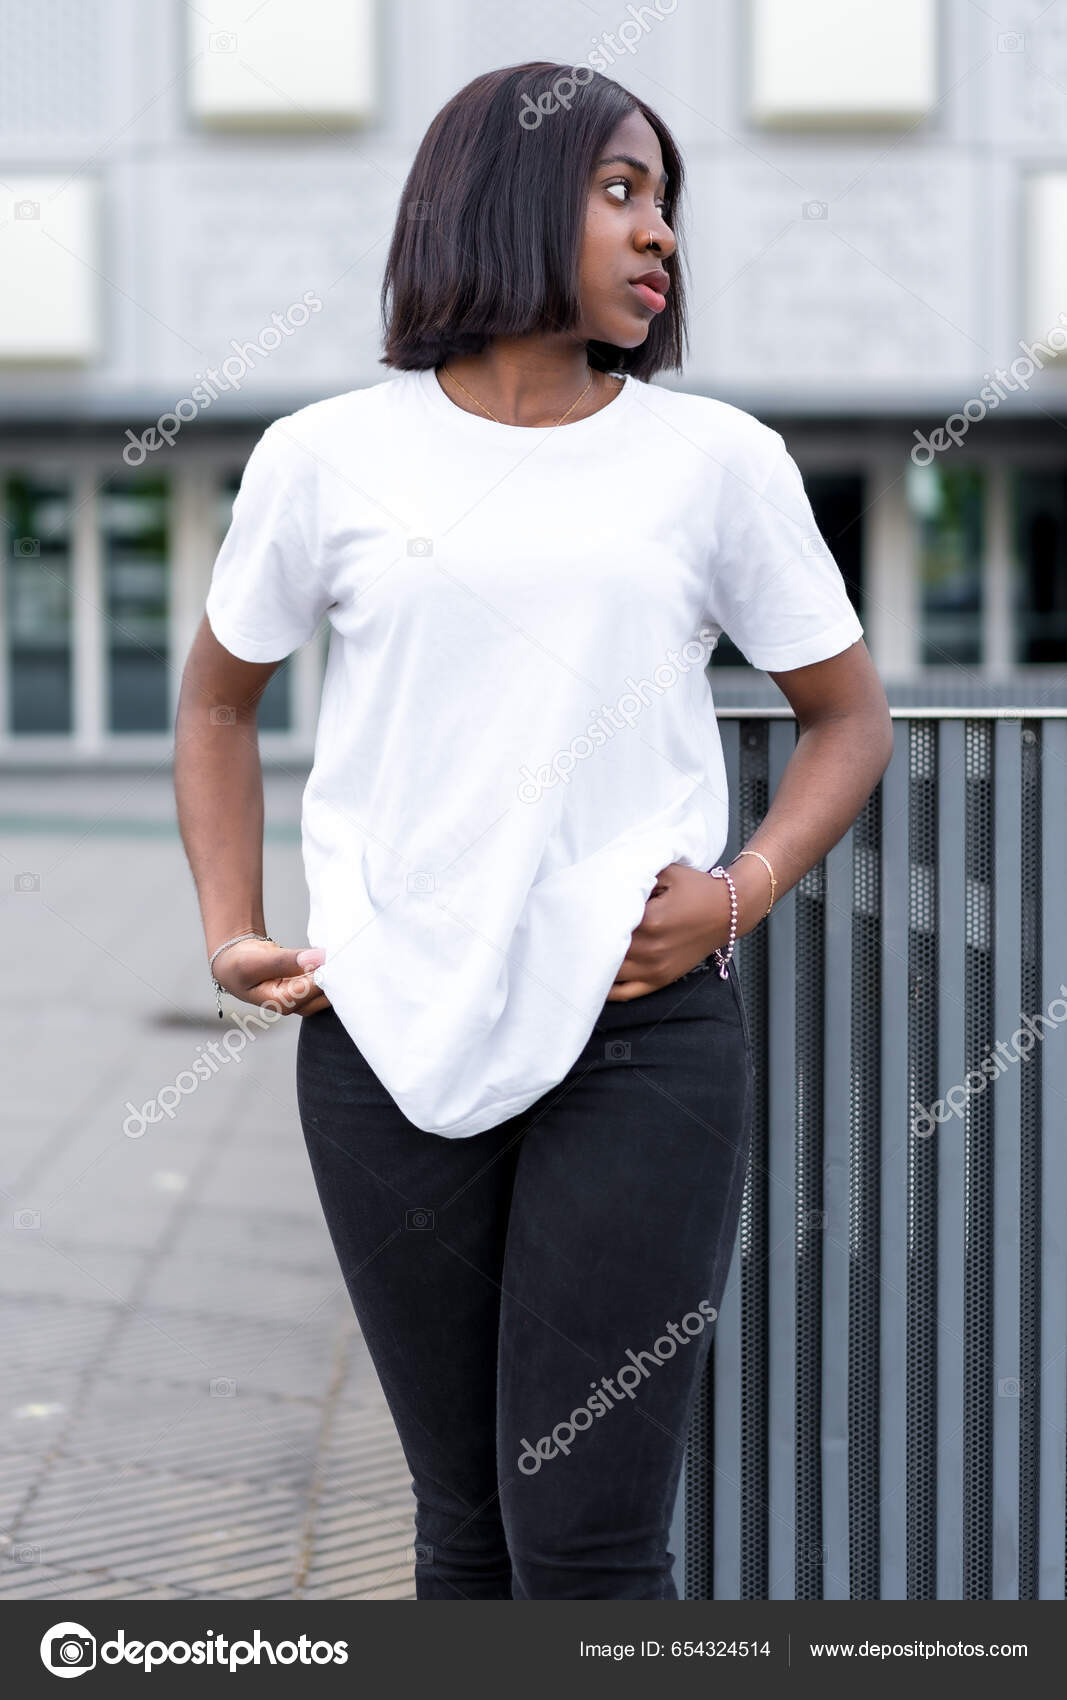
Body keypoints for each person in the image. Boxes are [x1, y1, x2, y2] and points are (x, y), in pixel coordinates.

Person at [174, 61, 893, 1601]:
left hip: (638, 1045)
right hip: (382, 1038)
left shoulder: (716, 463)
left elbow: (852, 716)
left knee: (588, 1544)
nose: (661, 237)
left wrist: (743, 889)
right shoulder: (324, 459)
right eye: (622, 191)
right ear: (504, 199)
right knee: (465, 1529)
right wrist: (230, 927)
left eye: (669, 205)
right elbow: (216, 705)